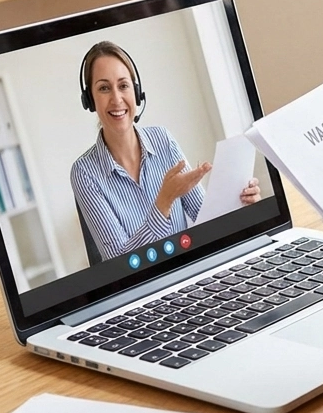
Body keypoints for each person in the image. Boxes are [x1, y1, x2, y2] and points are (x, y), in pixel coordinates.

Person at [70, 41, 260, 260]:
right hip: (145, 282)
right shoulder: (84, 172)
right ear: (90, 100)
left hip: (191, 266)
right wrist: (164, 201)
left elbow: (206, 218)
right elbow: (120, 261)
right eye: (104, 88)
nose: (116, 99)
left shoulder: (162, 139)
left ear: (136, 92)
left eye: (123, 86)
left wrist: (241, 204)